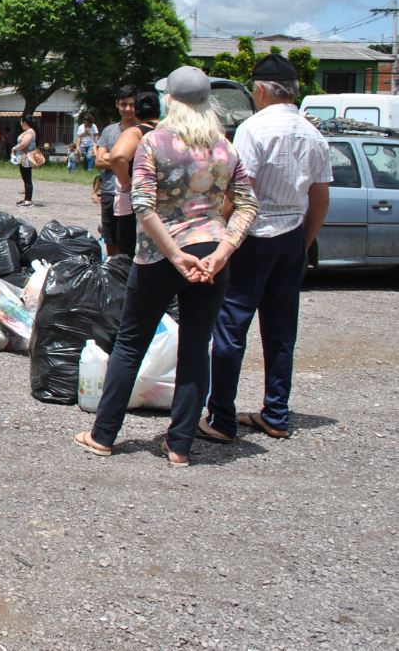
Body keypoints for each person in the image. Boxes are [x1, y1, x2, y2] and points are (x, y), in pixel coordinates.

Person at [74, 66, 258, 466]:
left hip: (160, 255)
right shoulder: (224, 147)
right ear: (209, 101)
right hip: (210, 257)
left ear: (169, 100)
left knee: (130, 343)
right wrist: (221, 253)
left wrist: (175, 254)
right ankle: (180, 446)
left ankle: (103, 435)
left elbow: (141, 204)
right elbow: (247, 205)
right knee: (196, 348)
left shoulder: (154, 142)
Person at [201, 53, 330, 443]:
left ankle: (221, 418)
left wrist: (222, 235)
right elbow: (320, 198)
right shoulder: (313, 133)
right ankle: (276, 413)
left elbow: (242, 192)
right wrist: (304, 242)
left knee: (230, 326)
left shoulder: (254, 129)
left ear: (259, 90)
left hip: (252, 234)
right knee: (280, 331)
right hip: (293, 234)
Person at [106, 91, 161, 257]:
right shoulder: (170, 131)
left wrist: (126, 182)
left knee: (130, 252)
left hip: (137, 204)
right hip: (164, 201)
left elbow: (117, 157)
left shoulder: (136, 132)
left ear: (136, 112)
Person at [94, 86, 140, 255]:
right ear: (117, 105)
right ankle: (113, 274)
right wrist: (125, 160)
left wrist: (112, 158)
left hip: (135, 193)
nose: (128, 109)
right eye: (124, 104)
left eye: (132, 104)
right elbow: (99, 161)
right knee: (110, 238)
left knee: (131, 240)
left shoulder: (143, 131)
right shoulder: (109, 131)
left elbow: (141, 163)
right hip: (109, 192)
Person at [13, 114, 38, 207]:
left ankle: (28, 200)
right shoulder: (28, 131)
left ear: (24, 122)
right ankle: (26, 198)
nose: (20, 124)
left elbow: (24, 144)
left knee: (27, 179)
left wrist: (15, 148)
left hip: (26, 158)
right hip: (23, 157)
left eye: (21, 121)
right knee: (25, 178)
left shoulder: (30, 131)